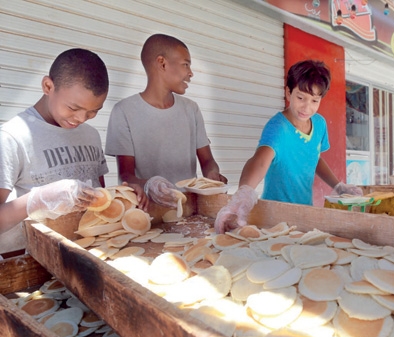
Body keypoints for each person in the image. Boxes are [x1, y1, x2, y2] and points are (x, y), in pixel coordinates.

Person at [215, 59, 362, 234]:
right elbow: (261, 161)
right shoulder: (278, 127)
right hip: (274, 215)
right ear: (288, 92)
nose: (307, 107)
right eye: (300, 98)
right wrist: (243, 195)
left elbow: (314, 159)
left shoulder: (320, 124)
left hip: (305, 211)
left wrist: (338, 186)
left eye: (314, 100)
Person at [0, 49, 117, 235]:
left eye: (93, 111)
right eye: (73, 107)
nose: (81, 118)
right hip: (35, 257)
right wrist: (38, 199)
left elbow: (99, 197)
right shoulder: (12, 137)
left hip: (90, 250)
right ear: (48, 86)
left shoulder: (90, 135)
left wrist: (125, 194)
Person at [105, 34, 227, 209]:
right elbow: (126, 175)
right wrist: (151, 185)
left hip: (189, 210)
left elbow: (207, 161)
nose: (191, 73)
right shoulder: (124, 111)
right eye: (186, 64)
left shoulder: (191, 109)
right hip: (149, 214)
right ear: (162, 63)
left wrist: (212, 174)